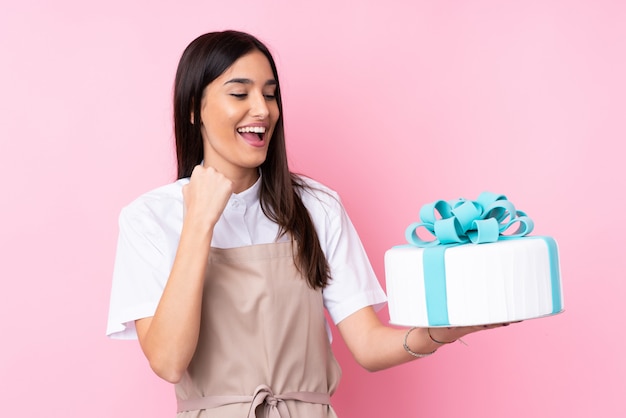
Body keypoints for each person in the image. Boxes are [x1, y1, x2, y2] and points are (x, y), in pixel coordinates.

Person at [107, 30, 506, 417]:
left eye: (270, 94)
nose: (262, 110)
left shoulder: (317, 206)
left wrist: (443, 332)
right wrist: (199, 222)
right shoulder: (150, 218)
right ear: (194, 108)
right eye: (239, 93)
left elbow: (367, 345)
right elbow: (168, 362)